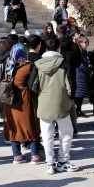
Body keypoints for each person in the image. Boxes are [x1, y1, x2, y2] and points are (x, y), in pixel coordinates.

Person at [31, 38, 79, 174]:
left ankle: (50, 163)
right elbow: (70, 86)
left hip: (44, 103)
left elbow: (32, 85)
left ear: (45, 49)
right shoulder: (64, 63)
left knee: (46, 135)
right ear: (59, 49)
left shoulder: (38, 64)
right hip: (62, 103)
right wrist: (70, 98)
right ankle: (63, 161)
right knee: (66, 133)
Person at [3, 44, 42, 164]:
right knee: (31, 125)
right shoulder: (28, 66)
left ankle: (17, 156)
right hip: (24, 100)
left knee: (14, 127)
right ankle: (35, 155)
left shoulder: (8, 67)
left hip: (10, 101)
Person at [56, 25, 79, 136]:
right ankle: (73, 128)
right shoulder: (74, 46)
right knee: (71, 105)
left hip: (56, 78)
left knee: (57, 104)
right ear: (66, 32)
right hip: (71, 77)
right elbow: (78, 63)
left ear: (57, 33)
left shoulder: (53, 45)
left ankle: (58, 129)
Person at [74, 36, 91, 117]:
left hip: (85, 76)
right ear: (80, 43)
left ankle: (79, 110)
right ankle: (77, 111)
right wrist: (88, 70)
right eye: (85, 42)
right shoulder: (78, 52)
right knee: (78, 94)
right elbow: (80, 64)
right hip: (79, 75)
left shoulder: (84, 52)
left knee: (81, 95)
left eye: (87, 42)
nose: (86, 44)